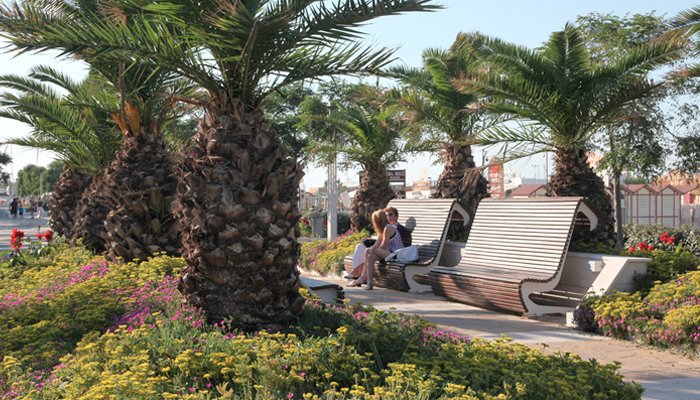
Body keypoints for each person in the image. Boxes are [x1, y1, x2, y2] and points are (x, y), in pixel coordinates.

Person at [345, 206, 411, 280]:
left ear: (396, 217)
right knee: (363, 249)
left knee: (366, 250)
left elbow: (386, 244)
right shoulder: (384, 228)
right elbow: (382, 241)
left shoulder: (396, 228)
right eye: (386, 215)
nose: (388, 217)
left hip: (394, 253)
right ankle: (360, 275)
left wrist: (373, 246)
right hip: (387, 251)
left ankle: (358, 274)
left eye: (390, 214)